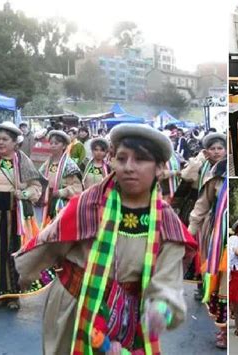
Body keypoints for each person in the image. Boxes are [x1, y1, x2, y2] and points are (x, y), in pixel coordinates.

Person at [15, 123, 197, 354]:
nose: (129, 167)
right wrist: (21, 274)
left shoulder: (168, 223)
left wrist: (160, 309)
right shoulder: (88, 203)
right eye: (121, 158)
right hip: (73, 305)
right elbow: (50, 242)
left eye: (140, 160)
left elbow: (168, 282)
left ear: (160, 167)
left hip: (128, 316)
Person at [0, 122, 51, 310]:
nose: (0, 143)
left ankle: (13, 296)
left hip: (14, 217)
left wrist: (23, 194)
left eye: (5, 139)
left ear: (14, 143)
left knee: (12, 254)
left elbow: (36, 187)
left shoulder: (22, 161)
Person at [187, 159, 227, 349]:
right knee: (221, 286)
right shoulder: (218, 175)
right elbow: (201, 207)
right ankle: (223, 330)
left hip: (235, 239)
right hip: (218, 239)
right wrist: (188, 235)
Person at [40, 130, 82, 227]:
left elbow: (77, 187)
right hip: (48, 199)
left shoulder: (69, 165)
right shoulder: (47, 163)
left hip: (62, 202)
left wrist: (62, 192)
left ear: (63, 146)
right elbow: (40, 178)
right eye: (51, 143)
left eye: (56, 143)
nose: (53, 145)